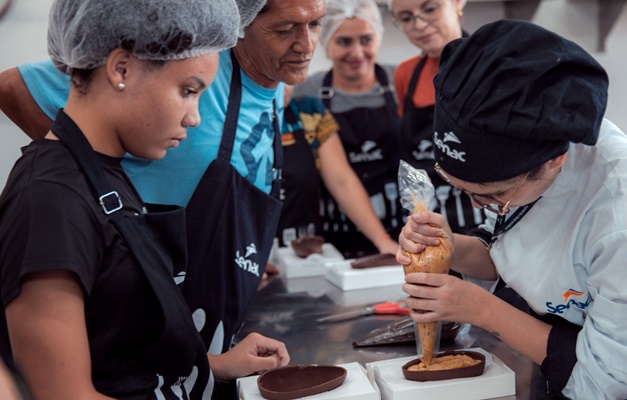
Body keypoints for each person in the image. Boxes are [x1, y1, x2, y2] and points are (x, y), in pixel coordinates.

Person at [0, 0, 326, 371]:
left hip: (189, 357)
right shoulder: (51, 200)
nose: (307, 43)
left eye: (317, 24)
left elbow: (135, 361)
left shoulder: (273, 91)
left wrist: (213, 364)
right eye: (188, 91)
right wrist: (88, 175)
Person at [397, 20, 627, 399]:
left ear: (555, 160)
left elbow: (606, 380)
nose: (479, 206)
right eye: (460, 188)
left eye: (492, 195)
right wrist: (449, 246)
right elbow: (507, 248)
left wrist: (483, 310)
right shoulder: (526, 167)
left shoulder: (614, 217)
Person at [293, 0, 402, 259]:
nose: (357, 52)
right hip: (335, 234)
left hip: (403, 227)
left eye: (366, 39)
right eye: (344, 42)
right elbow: (335, 174)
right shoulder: (307, 94)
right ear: (326, 43)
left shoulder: (400, 82)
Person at [387, 0, 484, 234]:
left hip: (485, 211)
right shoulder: (405, 74)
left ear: (457, 3)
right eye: (406, 18)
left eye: (429, 9)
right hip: (431, 217)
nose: (418, 25)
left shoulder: (488, 65)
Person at [278, 84, 398, 254]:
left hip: (303, 248)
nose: (282, 88)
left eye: (286, 79)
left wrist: (382, 240)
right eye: (272, 76)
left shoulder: (309, 112)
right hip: (248, 246)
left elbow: (341, 181)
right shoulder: (230, 116)